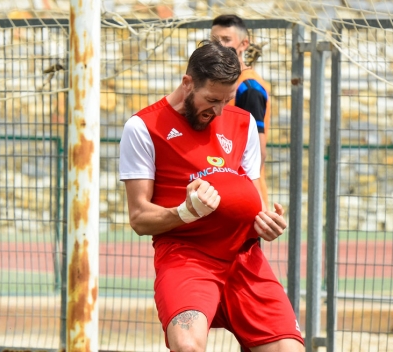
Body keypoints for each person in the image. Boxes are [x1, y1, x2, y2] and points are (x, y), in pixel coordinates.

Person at [119, 40, 304, 352]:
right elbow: (139, 218)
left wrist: (266, 221)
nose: (218, 110)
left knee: (289, 350)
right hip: (186, 257)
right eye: (211, 100)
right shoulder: (143, 127)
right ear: (188, 83)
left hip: (245, 257)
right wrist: (184, 212)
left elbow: (254, 191)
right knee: (188, 347)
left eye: (226, 100)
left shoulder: (241, 122)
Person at [211, 14, 270, 206]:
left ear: (244, 44)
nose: (219, 45)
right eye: (215, 40)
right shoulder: (225, 83)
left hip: (242, 195)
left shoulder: (248, 88)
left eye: (226, 40)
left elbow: (258, 151)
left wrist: (247, 196)